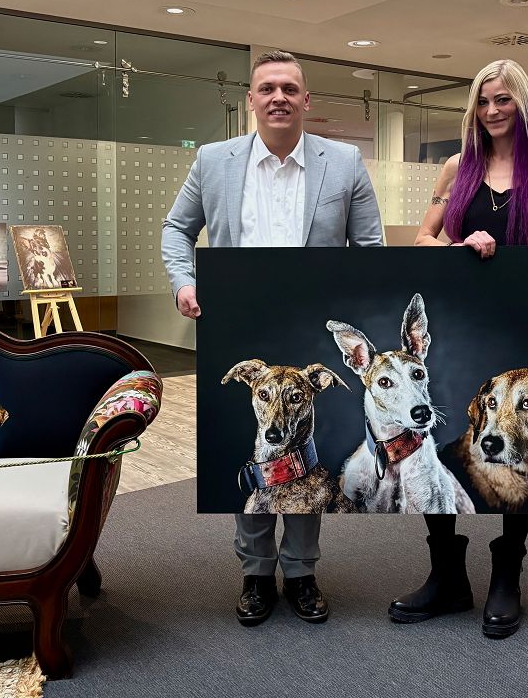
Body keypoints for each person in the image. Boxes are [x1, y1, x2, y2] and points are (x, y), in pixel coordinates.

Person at [391, 58, 528, 638]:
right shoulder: (454, 170)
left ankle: (506, 577)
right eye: (484, 101)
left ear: (524, 106)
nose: (492, 111)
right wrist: (462, 242)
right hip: (466, 323)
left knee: (525, 451)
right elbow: (421, 240)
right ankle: (447, 576)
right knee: (445, 456)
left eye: (504, 100)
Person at [161, 50, 383, 627]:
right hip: (239, 321)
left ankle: (303, 573)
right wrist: (184, 282)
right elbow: (177, 229)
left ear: (306, 101)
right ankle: (256, 574)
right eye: (267, 88)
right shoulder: (213, 161)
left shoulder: (345, 162)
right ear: (251, 100)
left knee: (304, 455)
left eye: (290, 88)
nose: (278, 97)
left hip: (311, 325)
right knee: (257, 450)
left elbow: (372, 252)